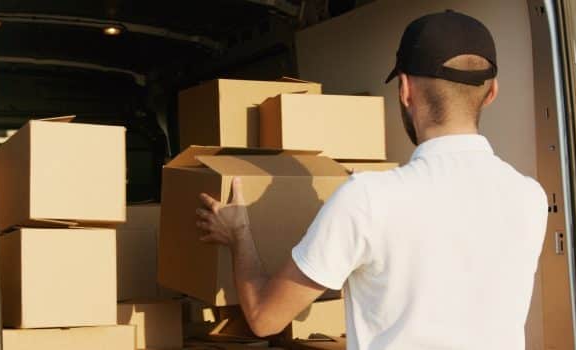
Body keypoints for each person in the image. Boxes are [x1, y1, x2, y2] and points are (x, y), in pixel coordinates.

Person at [194, 10, 547, 350]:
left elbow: (265, 318)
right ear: (492, 92)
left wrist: (238, 233)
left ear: (405, 90)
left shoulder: (367, 200)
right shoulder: (530, 197)